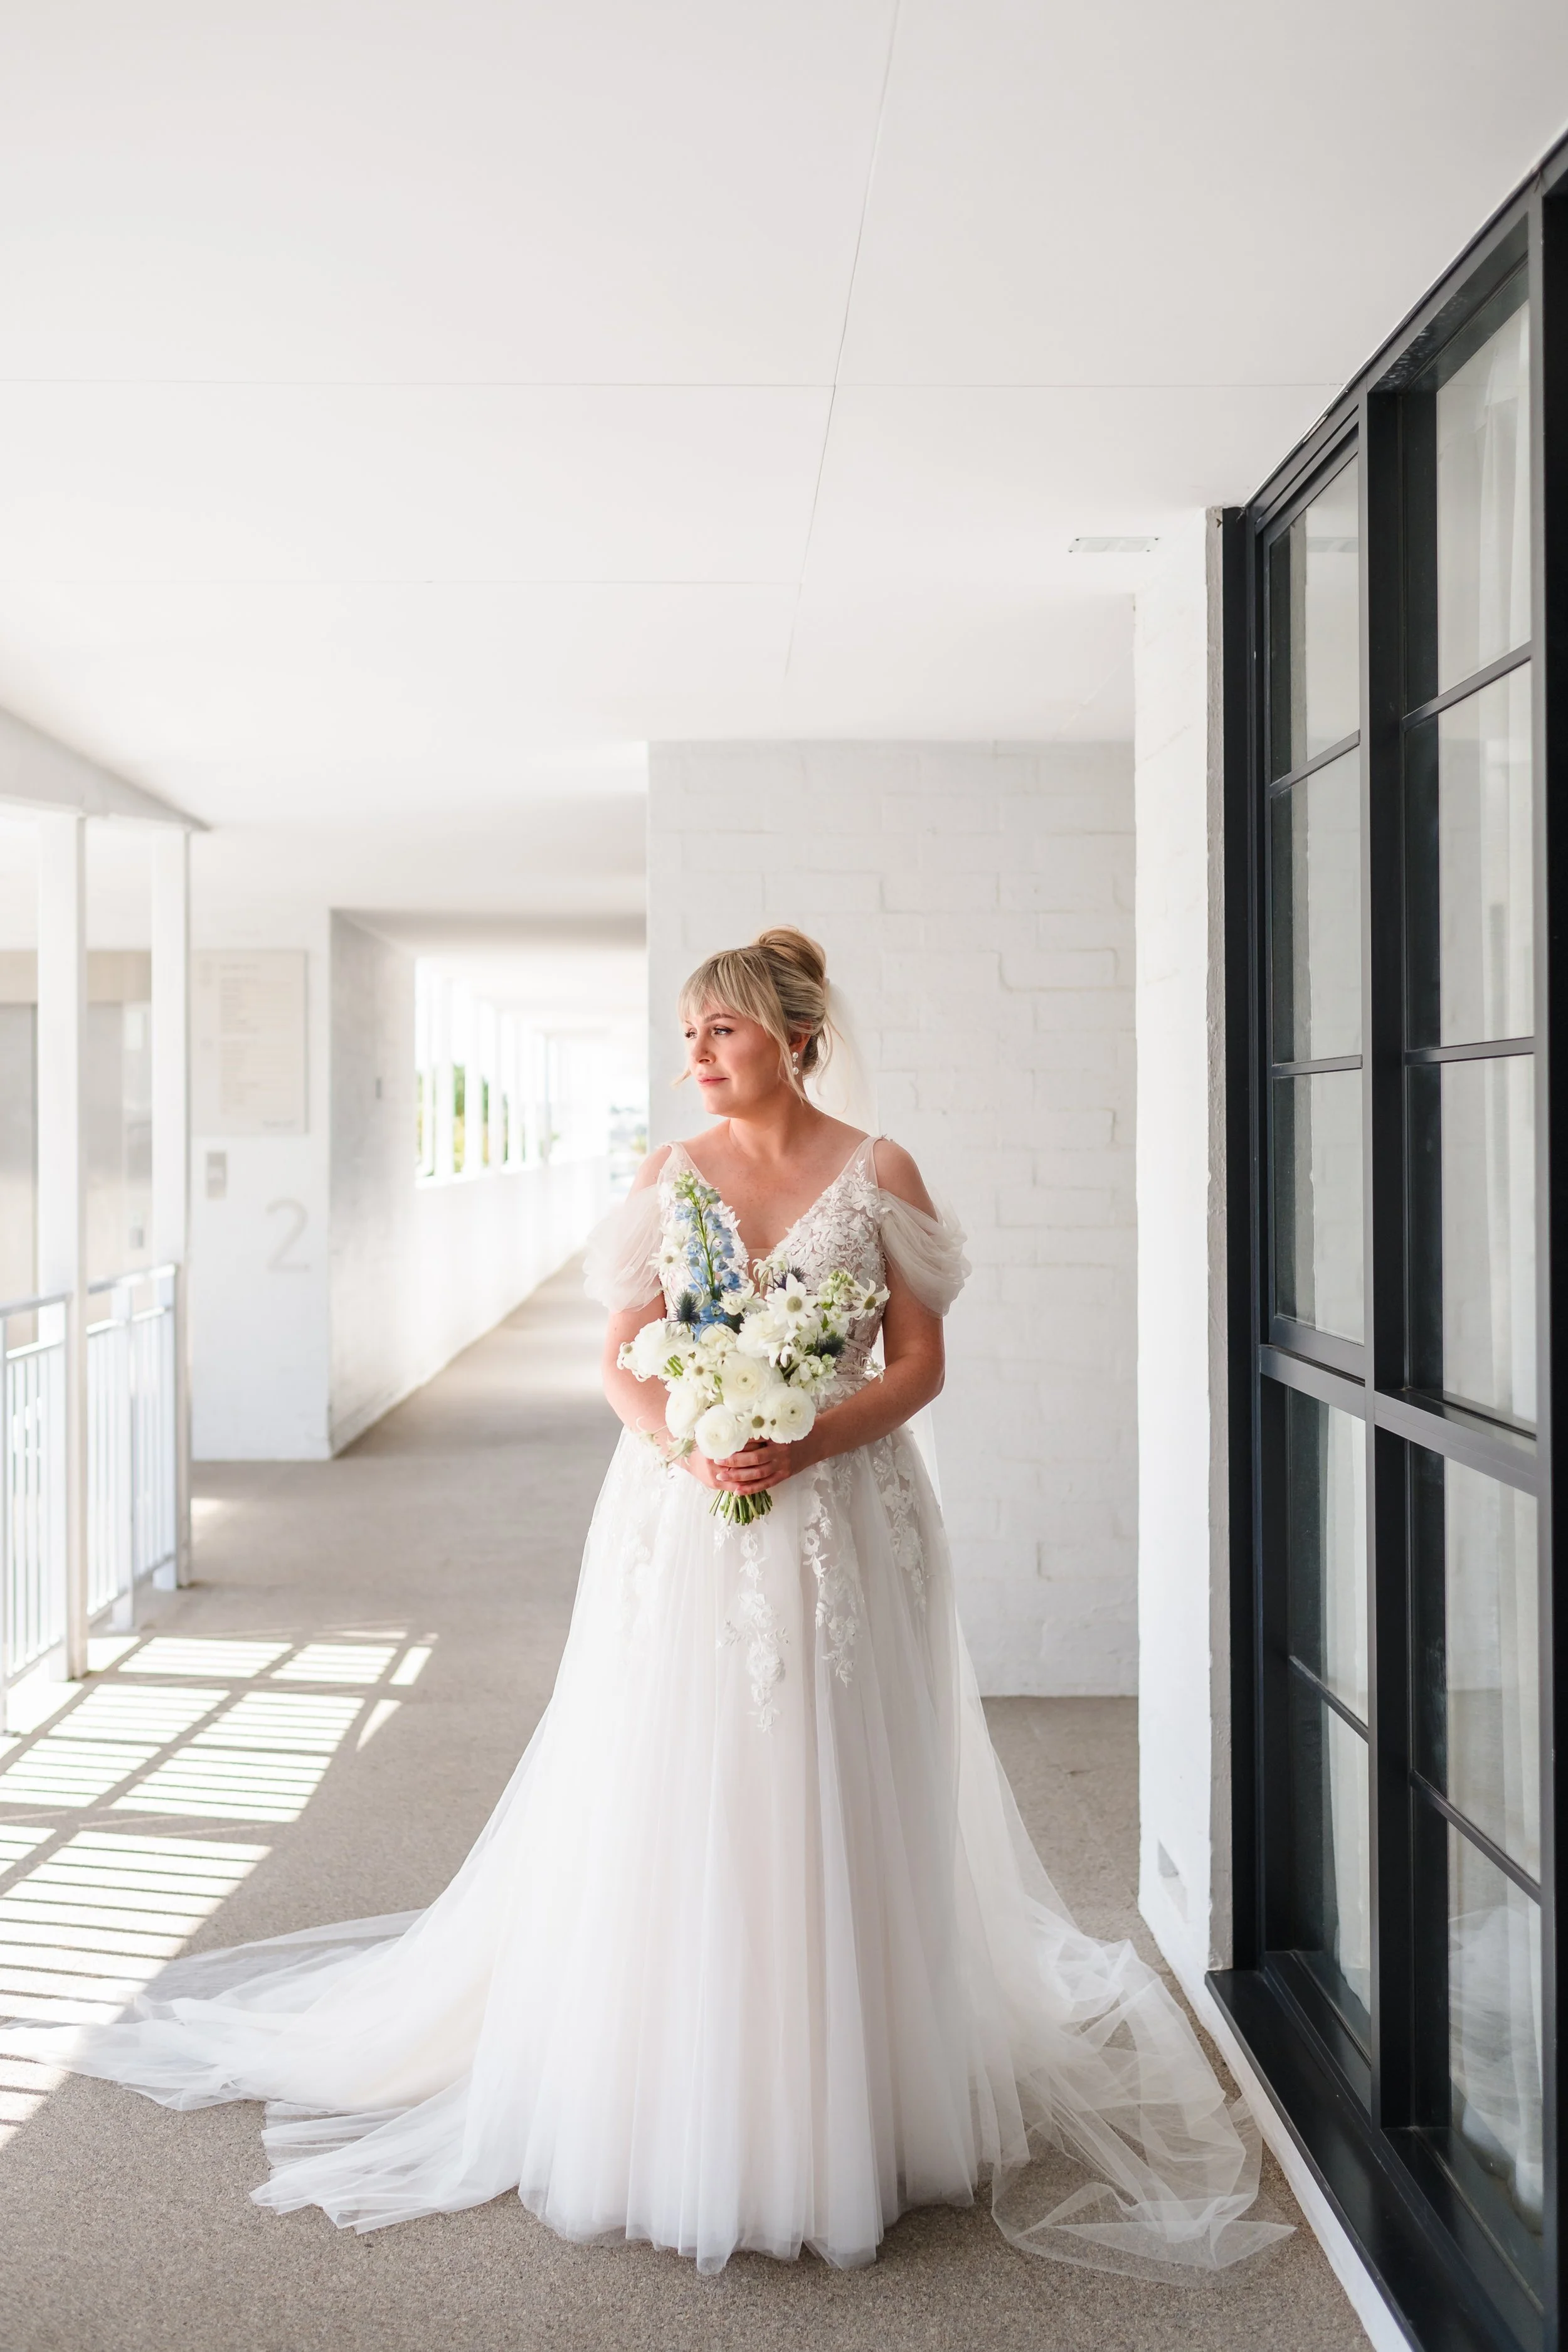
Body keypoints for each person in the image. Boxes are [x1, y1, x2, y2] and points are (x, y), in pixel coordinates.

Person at [22, 926, 1286, 2280]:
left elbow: (917, 1365)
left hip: (845, 1514)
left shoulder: (881, 1172)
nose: (694, 1054)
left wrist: (806, 1438)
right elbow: (620, 1359)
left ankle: (855, 2092)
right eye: (687, 1031)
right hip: (683, 1513)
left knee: (845, 1776)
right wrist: (690, 1443)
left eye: (721, 1032)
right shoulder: (664, 1175)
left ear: (795, 1039)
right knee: (682, 1779)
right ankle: (676, 2086)